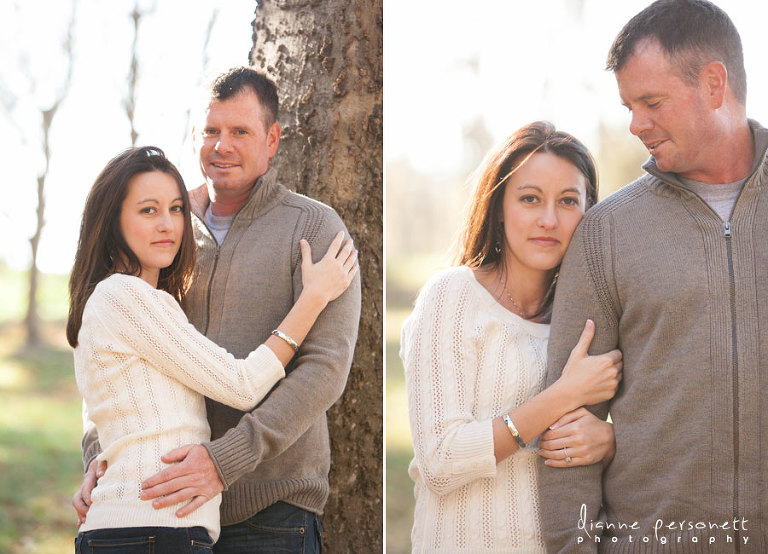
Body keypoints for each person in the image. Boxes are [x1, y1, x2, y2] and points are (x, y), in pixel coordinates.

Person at [73, 68, 362, 552]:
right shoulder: (166, 224)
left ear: (271, 140)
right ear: (195, 137)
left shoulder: (314, 227)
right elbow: (114, 359)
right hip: (163, 509)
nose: (222, 145)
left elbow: (325, 369)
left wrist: (224, 460)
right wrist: (98, 456)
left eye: (240, 132)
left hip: (270, 512)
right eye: (211, 131)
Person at [537, 1, 768, 551]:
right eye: (629, 106)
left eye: (652, 102)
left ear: (715, 84)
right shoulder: (606, 233)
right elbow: (567, 425)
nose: (635, 124)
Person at [400, 121, 624, 552]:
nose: (548, 219)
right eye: (529, 198)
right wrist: (562, 395)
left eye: (568, 201)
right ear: (499, 205)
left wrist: (611, 441)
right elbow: (440, 461)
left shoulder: (587, 317)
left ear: (588, 213)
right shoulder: (451, 297)